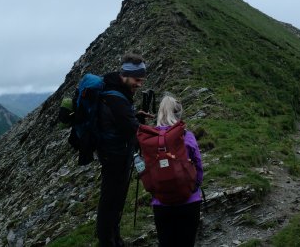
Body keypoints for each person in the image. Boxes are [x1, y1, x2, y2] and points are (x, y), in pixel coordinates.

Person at [76, 55, 149, 247]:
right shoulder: (116, 98)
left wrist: (134, 115)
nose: (139, 84)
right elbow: (132, 130)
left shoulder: (113, 89)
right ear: (125, 75)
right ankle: (108, 242)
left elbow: (116, 119)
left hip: (112, 152)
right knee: (111, 201)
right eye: (137, 80)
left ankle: (114, 239)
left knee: (113, 200)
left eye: (142, 80)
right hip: (116, 155)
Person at [133, 95, 208, 247]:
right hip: (189, 201)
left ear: (160, 114)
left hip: (161, 203)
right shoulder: (187, 136)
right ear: (179, 114)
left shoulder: (148, 139)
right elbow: (198, 165)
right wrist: (195, 185)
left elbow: (142, 167)